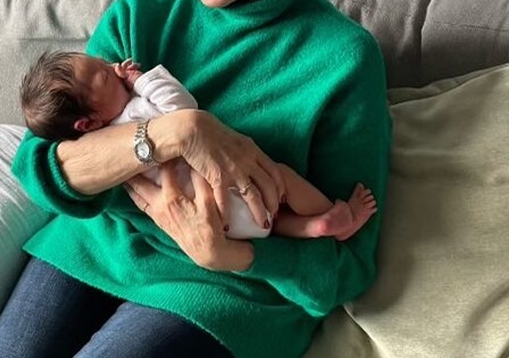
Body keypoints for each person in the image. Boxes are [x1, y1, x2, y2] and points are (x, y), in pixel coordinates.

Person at [0, 0, 392, 358]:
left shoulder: (342, 59)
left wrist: (237, 256)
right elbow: (43, 165)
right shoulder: (141, 12)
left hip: (221, 287)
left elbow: (349, 263)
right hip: (96, 247)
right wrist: (179, 132)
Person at [19, 50, 378, 241]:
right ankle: (331, 216)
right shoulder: (135, 110)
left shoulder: (97, 140)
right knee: (280, 180)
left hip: (209, 224)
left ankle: (311, 228)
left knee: (271, 217)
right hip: (219, 204)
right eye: (101, 72)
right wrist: (142, 79)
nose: (112, 65)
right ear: (87, 123)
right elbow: (183, 112)